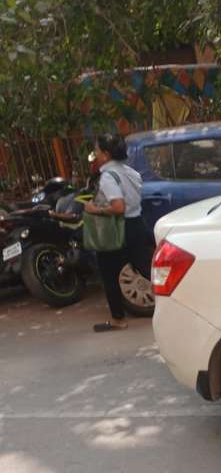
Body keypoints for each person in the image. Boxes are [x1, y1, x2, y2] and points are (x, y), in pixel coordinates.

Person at [84, 133, 153, 332]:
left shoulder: (108, 176)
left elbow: (118, 207)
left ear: (106, 154)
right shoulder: (131, 172)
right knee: (147, 269)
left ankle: (118, 319)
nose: (95, 154)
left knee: (109, 274)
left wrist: (94, 209)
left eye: (97, 151)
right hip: (137, 225)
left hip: (117, 229)